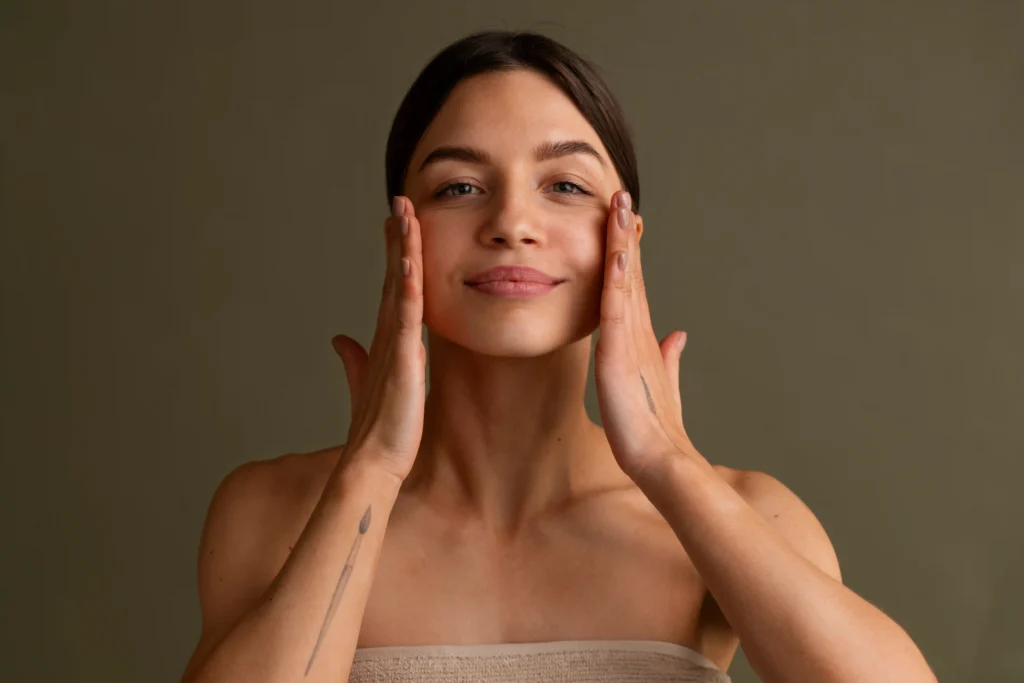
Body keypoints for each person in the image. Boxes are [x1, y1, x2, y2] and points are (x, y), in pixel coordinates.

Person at [180, 29, 937, 683]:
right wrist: (371, 470)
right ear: (397, 239)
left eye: (566, 184)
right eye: (460, 186)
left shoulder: (747, 514)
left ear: (627, 239)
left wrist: (669, 464)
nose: (512, 220)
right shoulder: (272, 515)